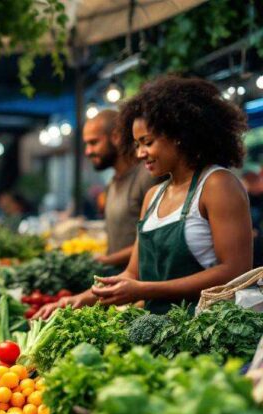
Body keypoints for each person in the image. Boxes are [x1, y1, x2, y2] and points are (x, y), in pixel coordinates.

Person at [35, 75, 252, 317]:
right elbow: (131, 273)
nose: (139, 154)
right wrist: (76, 300)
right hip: (157, 332)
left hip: (206, 329)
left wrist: (145, 290)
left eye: (147, 142)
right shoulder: (153, 196)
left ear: (178, 135)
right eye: (136, 144)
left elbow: (235, 271)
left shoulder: (217, 184)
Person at [82, 109, 158, 267]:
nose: (88, 151)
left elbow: (156, 239)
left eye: (94, 142)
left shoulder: (146, 177)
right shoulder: (112, 184)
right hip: (118, 279)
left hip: (141, 283)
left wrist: (107, 260)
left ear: (116, 137)